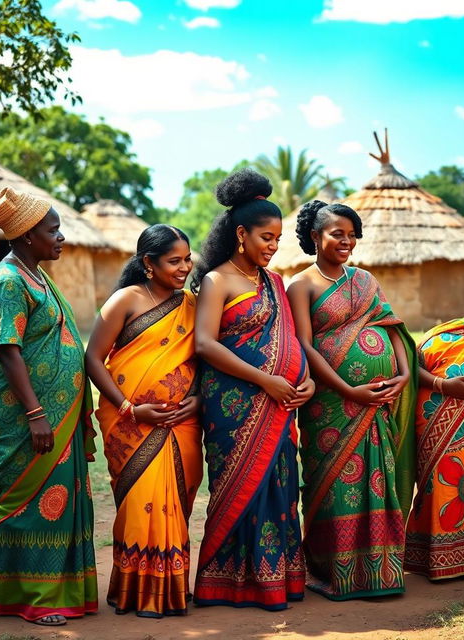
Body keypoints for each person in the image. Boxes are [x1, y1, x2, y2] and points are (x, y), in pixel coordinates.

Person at [192, 168, 314, 610]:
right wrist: (266, 380)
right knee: (239, 488)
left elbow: (297, 342)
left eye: (278, 239)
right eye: (266, 237)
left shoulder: (275, 283)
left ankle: (275, 579)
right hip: (234, 407)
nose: (273, 246)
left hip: (281, 407)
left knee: (280, 487)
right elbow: (205, 343)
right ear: (241, 234)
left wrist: (307, 380)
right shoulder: (217, 280)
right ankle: (229, 582)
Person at [0, 187, 97, 626]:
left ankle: (58, 590)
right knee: (34, 499)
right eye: (52, 230)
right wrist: (35, 413)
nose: (61, 237)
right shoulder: (9, 282)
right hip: (31, 416)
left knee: (62, 498)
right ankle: (36, 597)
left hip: (58, 413)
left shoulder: (36, 275)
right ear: (26, 236)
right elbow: (8, 350)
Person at [286, 200, 417, 600]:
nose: (346, 241)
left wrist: (404, 372)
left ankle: (380, 571)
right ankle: (334, 571)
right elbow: (305, 346)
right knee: (334, 486)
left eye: (352, 234)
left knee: (378, 480)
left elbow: (390, 327)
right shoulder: (300, 285)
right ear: (315, 237)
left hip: (376, 405)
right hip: (329, 405)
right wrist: (347, 389)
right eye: (337, 233)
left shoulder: (365, 280)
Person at [85, 225, 203, 617]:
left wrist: (196, 399)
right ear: (148, 264)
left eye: (187, 259)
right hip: (130, 423)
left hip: (182, 425)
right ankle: (136, 590)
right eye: (174, 261)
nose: (185, 267)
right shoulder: (126, 300)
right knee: (141, 506)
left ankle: (169, 588)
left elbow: (202, 359)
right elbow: (93, 358)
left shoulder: (192, 304)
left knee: (176, 506)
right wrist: (130, 409)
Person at [404, 318, 464, 581]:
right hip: (434, 415)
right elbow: (410, 369)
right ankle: (431, 556)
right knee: (437, 483)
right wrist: (444, 385)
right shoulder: (426, 343)